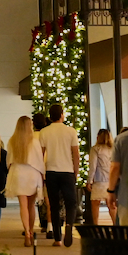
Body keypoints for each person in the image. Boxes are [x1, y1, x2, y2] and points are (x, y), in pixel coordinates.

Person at [39, 103, 81, 247]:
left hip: (51, 172)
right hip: (67, 171)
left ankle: (57, 238)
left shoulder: (44, 132)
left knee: (54, 205)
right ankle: (69, 225)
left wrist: (42, 173)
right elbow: (76, 154)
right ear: (62, 114)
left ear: (50, 116)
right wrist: (76, 172)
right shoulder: (71, 131)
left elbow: (41, 154)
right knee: (71, 203)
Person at [7, 115, 45, 246]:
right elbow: (39, 161)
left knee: (23, 206)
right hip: (32, 174)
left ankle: (27, 233)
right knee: (31, 205)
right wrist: (42, 175)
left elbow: (9, 161)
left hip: (18, 173)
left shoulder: (12, 141)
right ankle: (31, 230)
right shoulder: (34, 141)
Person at [89, 129, 115, 223]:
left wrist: (89, 181)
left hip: (99, 180)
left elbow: (93, 166)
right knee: (111, 205)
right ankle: (115, 224)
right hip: (110, 179)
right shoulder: (113, 149)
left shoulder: (95, 149)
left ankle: (96, 225)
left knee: (95, 203)